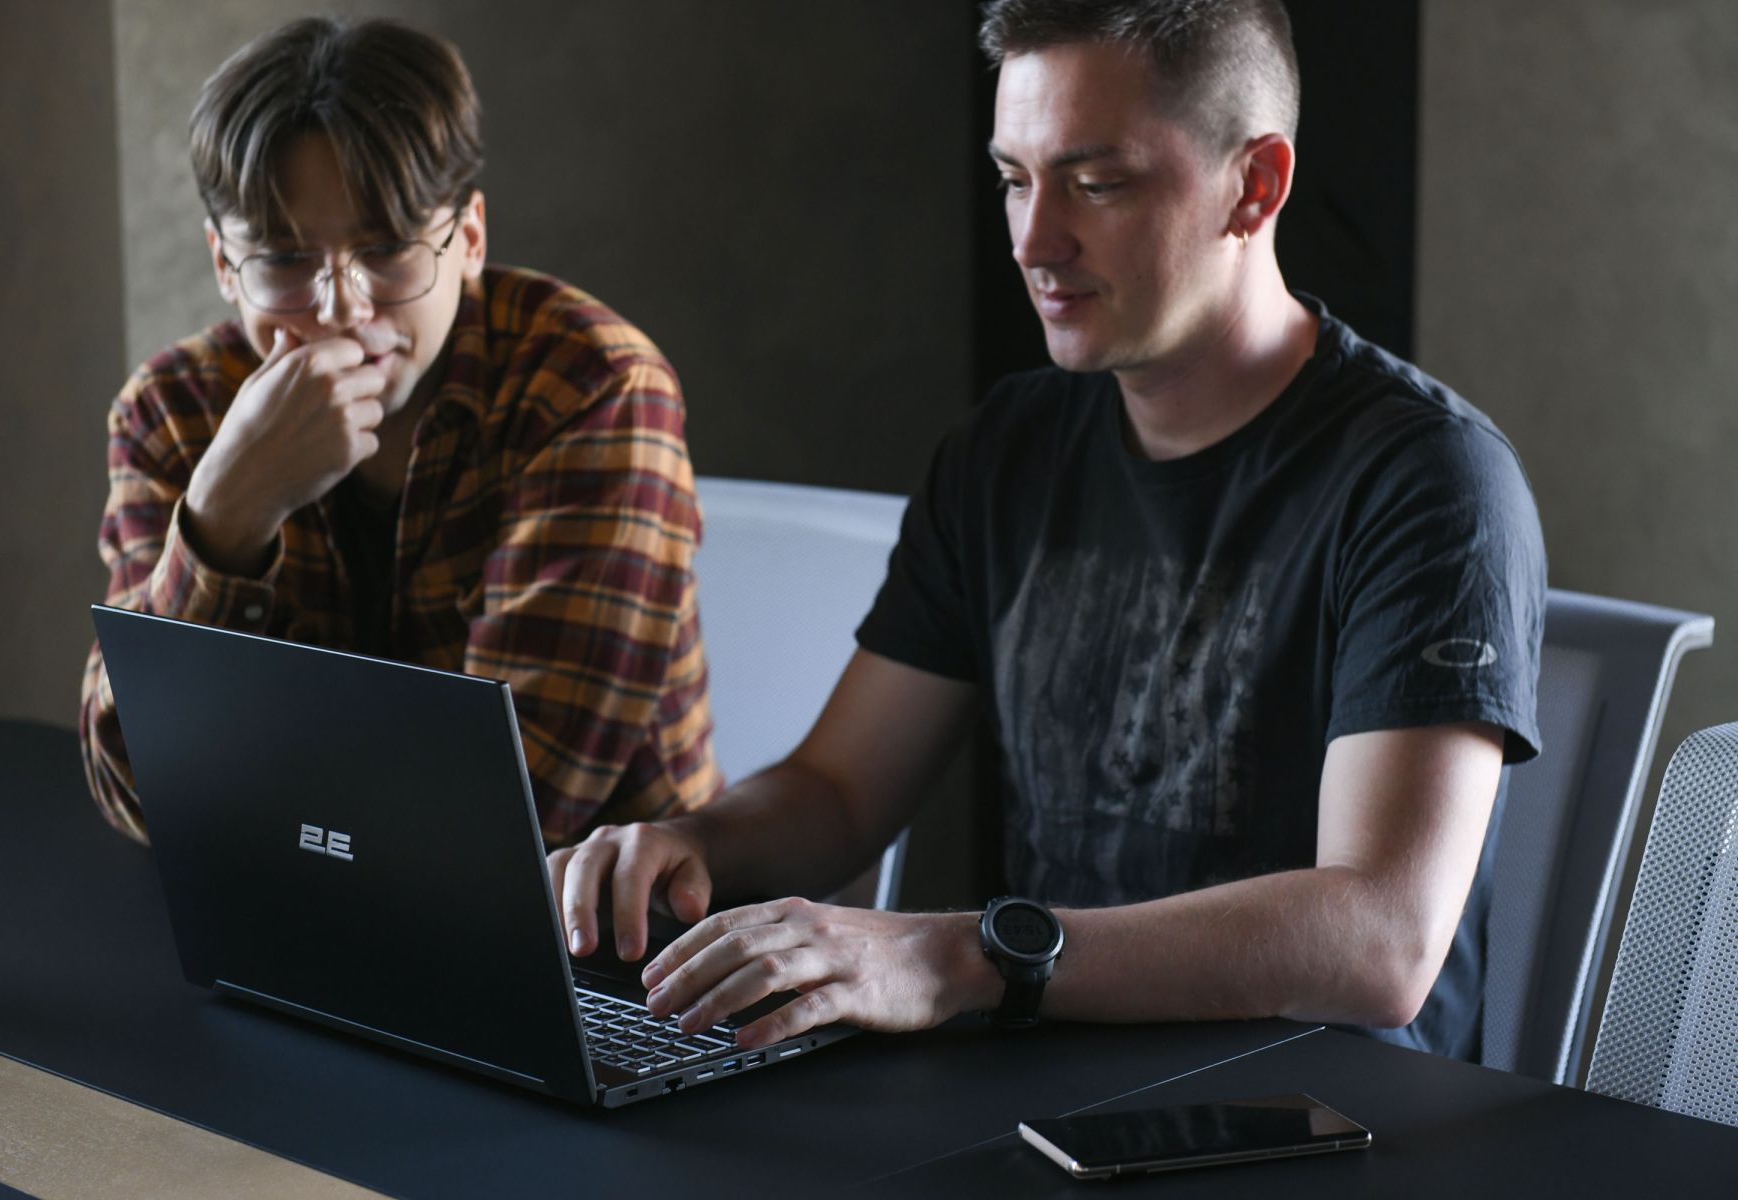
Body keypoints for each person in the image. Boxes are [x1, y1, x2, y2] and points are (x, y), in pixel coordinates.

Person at [551, 0, 1544, 1064]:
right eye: (1015, 180)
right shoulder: (1007, 450)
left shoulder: (1427, 479)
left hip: (1323, 1110)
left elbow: (1382, 940)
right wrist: (691, 843)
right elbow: (838, 792)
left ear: (1255, 185)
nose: (1035, 242)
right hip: (1049, 1086)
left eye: (1096, 183)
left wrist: (957, 956)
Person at [80, 18, 719, 846]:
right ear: (222, 264)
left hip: (602, 908)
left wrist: (250, 791)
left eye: (385, 249)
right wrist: (226, 517)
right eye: (284, 260)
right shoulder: (173, 410)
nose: (342, 307)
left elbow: (519, 802)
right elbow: (135, 786)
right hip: (276, 898)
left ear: (469, 238)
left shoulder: (591, 388)